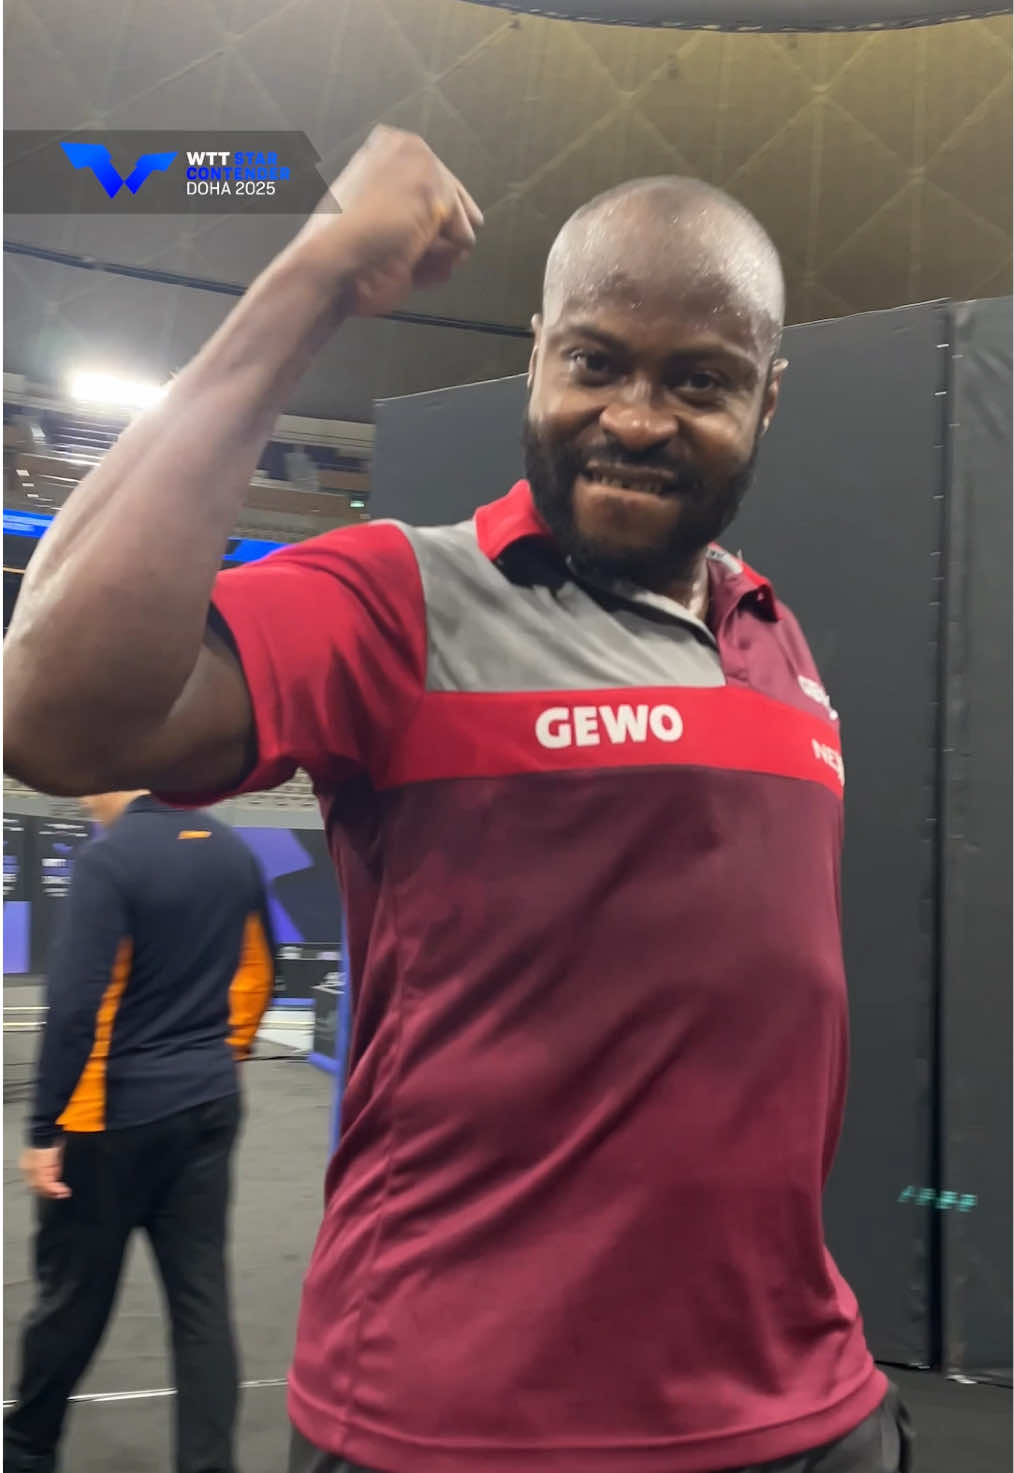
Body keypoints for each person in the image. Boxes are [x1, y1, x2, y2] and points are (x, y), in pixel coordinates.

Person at [3, 129, 914, 1473]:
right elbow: (51, 713)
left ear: (766, 404)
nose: (638, 418)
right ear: (537, 354)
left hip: (803, 1408)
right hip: (463, 1427)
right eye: (595, 362)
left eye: (699, 381)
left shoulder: (773, 632)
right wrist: (311, 275)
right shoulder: (398, 599)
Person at [4, 791, 276, 1473]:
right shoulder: (231, 849)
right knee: (201, 1302)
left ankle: (28, 1449)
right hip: (209, 1101)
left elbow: (74, 1005)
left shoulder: (110, 860)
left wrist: (44, 1129)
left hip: (110, 1125)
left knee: (72, 1299)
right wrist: (223, 1055)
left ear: (110, 779)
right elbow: (258, 972)